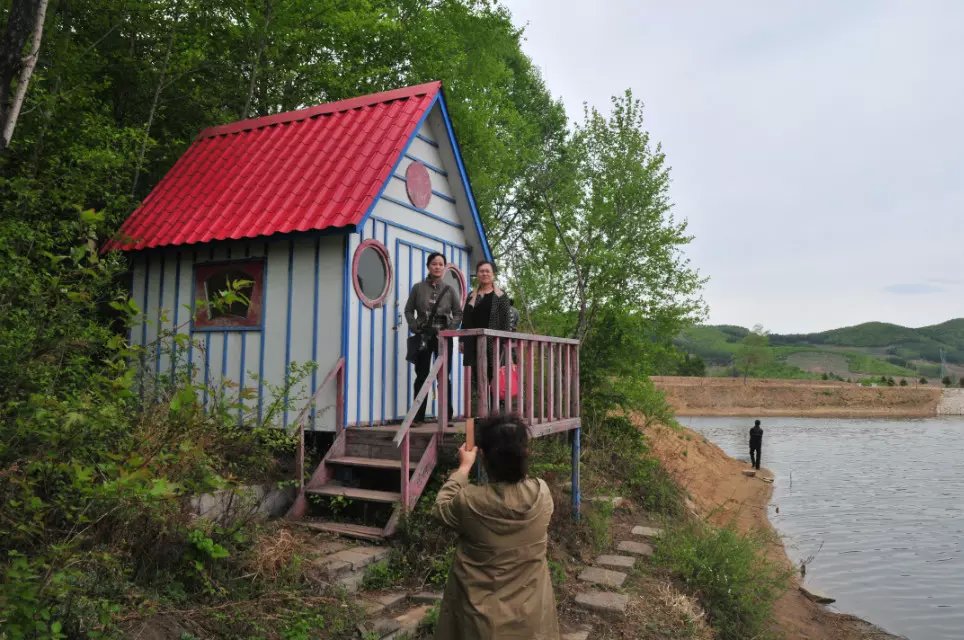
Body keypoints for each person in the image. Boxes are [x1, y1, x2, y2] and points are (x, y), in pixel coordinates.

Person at [433, 414, 559, 640]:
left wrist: (463, 468)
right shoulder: (542, 494)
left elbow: (441, 508)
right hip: (531, 619)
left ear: (483, 457)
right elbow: (522, 481)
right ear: (525, 454)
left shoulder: (470, 502)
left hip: (479, 622)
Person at [405, 252, 462, 423]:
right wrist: (414, 326)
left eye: (440, 264)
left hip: (444, 338)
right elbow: (408, 310)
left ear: (444, 267)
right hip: (424, 337)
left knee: (444, 376)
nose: (437, 267)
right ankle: (418, 417)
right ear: (428, 266)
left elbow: (458, 313)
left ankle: (446, 417)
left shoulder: (450, 290)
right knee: (421, 376)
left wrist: (450, 330)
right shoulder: (417, 288)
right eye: (434, 264)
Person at [460, 261, 512, 404]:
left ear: (493, 275)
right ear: (477, 274)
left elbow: (506, 323)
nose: (485, 274)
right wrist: (462, 340)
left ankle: (494, 411)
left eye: (487, 271)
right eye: (481, 271)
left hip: (493, 343)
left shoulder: (501, 296)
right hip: (473, 343)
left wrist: (503, 344)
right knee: (477, 377)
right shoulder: (472, 296)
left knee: (493, 376)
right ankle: (482, 411)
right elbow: (466, 319)